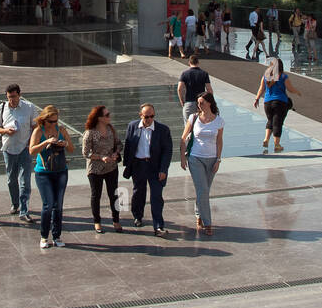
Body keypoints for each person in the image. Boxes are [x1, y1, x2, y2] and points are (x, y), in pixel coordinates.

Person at [122, 103, 173, 235]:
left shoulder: (162, 130)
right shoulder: (133, 126)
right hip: (138, 165)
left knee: (156, 196)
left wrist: (163, 169)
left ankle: (158, 225)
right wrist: (128, 165)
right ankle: (138, 216)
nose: (149, 119)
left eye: (152, 116)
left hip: (155, 166)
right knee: (138, 192)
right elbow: (128, 145)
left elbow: (167, 151)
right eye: (146, 117)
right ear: (141, 115)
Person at [180, 92, 224, 236]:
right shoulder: (193, 118)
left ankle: (199, 214)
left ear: (209, 103)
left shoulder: (218, 121)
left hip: (211, 159)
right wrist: (182, 157)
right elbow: (183, 137)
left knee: (204, 190)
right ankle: (208, 223)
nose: (199, 105)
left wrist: (218, 159)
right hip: (195, 158)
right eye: (198, 103)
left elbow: (219, 141)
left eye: (202, 102)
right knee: (203, 190)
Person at [30, 104, 73, 248]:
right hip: (43, 173)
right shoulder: (38, 131)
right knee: (48, 205)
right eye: (51, 121)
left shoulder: (61, 130)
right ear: (44, 120)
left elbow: (72, 149)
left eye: (56, 121)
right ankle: (43, 236)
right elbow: (31, 150)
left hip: (61, 171)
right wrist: (46, 142)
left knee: (58, 205)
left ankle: (57, 235)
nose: (54, 124)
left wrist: (65, 143)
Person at [0, 83, 35, 221]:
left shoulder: (29, 107)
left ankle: (24, 210)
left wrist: (31, 143)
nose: (11, 100)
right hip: (8, 148)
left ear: (19, 95)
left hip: (24, 148)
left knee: (25, 180)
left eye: (14, 97)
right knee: (11, 179)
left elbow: (35, 127)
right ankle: (15, 203)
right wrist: (6, 131)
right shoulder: (3, 107)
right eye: (9, 97)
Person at [82, 105, 123, 233]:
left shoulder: (111, 129)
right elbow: (85, 153)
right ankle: (97, 221)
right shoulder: (90, 133)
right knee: (96, 195)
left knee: (114, 194)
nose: (109, 117)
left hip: (111, 167)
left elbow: (119, 144)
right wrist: (101, 157)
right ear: (99, 118)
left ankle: (116, 220)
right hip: (95, 169)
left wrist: (116, 152)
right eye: (107, 115)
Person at [254, 56, 300, 153]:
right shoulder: (283, 76)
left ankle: (266, 139)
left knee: (270, 120)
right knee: (277, 123)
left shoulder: (265, 77)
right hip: (280, 102)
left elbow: (261, 88)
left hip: (267, 103)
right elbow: (290, 89)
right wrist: (297, 92)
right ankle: (277, 144)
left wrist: (257, 98)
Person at [178, 54, 213, 127]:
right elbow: (209, 89)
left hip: (189, 103)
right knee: (201, 125)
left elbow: (179, 89)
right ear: (198, 62)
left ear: (189, 62)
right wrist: (210, 102)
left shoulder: (184, 74)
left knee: (188, 127)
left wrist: (182, 101)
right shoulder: (204, 74)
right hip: (201, 103)